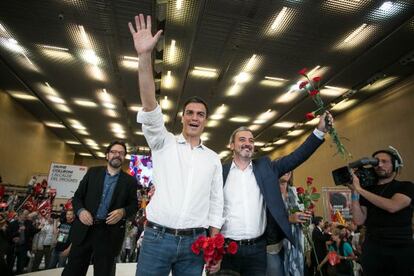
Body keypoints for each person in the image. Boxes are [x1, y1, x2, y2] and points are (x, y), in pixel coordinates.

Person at [129, 14, 224, 275]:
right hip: (157, 239)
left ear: (205, 121)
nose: (195, 118)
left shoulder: (213, 159)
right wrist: (144, 56)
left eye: (200, 114)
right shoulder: (163, 143)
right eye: (190, 113)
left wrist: (214, 245)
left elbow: (217, 204)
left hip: (196, 244)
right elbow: (150, 106)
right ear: (182, 117)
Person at [218, 112, 332, 275]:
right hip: (227, 250)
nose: (247, 143)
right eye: (242, 140)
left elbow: (296, 157)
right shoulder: (220, 172)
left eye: (251, 140)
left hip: (257, 251)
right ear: (231, 145)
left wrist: (320, 131)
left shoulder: (266, 168)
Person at [62, 141, 138, 276]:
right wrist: (81, 211)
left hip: (109, 234)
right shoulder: (92, 173)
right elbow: (77, 197)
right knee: (73, 271)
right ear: (107, 155)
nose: (117, 155)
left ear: (124, 157)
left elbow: (134, 205)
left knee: (104, 272)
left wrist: (123, 212)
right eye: (114, 152)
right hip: (85, 230)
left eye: (121, 153)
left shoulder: (130, 181)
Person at [348, 147, 414, 276]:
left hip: (400, 248)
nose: (379, 165)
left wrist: (361, 190)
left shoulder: (406, 186)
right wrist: (354, 192)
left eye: (385, 161)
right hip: (372, 248)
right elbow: (359, 220)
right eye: (376, 161)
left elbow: (393, 206)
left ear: (395, 165)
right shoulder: (368, 190)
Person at [266, 171, 309, 276]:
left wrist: (305, 216)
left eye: (289, 169)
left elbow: (301, 218)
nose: (287, 171)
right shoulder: (268, 193)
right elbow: (265, 220)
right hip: (274, 246)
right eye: (284, 167)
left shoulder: (295, 193)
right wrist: (288, 219)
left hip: (294, 246)